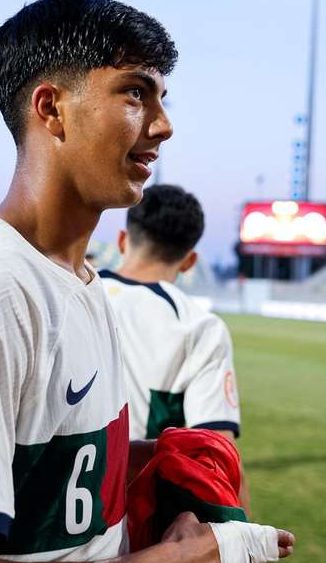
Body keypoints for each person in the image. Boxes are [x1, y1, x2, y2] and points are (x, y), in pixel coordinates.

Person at [0, 0, 294, 563]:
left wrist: (153, 458)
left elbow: (53, 482)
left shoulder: (81, 281)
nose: (164, 125)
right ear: (51, 109)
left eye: (161, 97)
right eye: (135, 92)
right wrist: (182, 559)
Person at [100, 184, 251, 514]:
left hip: (45, 512)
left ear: (123, 240)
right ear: (190, 261)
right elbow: (216, 454)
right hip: (136, 516)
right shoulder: (199, 325)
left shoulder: (77, 292)